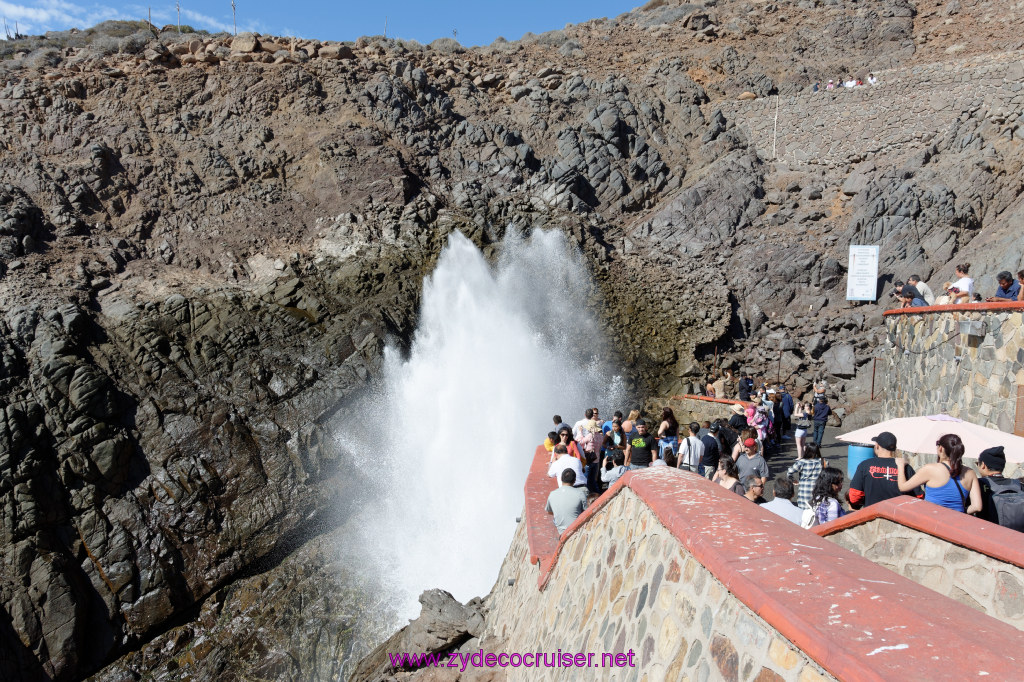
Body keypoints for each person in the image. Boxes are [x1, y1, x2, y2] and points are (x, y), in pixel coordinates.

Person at [894, 433, 981, 513]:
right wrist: (959, 512)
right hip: (956, 524)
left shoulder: (930, 469)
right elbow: (977, 507)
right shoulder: (970, 473)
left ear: (941, 448)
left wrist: (901, 466)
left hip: (932, 521)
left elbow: (903, 487)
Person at [848, 432, 921, 509]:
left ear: (877, 446)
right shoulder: (905, 467)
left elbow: (854, 497)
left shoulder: (864, 465)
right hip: (898, 516)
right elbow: (919, 496)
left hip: (872, 515)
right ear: (894, 449)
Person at [976, 446, 1024, 531]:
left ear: (983, 465)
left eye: (977, 464)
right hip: (1018, 536)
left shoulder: (980, 484)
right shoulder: (1018, 484)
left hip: (992, 535)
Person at [545, 468, 589, 534]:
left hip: (561, 532)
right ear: (574, 480)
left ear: (561, 479)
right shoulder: (580, 493)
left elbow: (549, 511)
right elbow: (587, 512)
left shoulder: (552, 494)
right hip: (576, 530)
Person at [787, 441, 826, 509]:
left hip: (804, 492)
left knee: (804, 514)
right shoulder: (823, 461)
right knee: (818, 513)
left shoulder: (802, 462)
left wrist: (792, 480)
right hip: (819, 491)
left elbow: (789, 472)